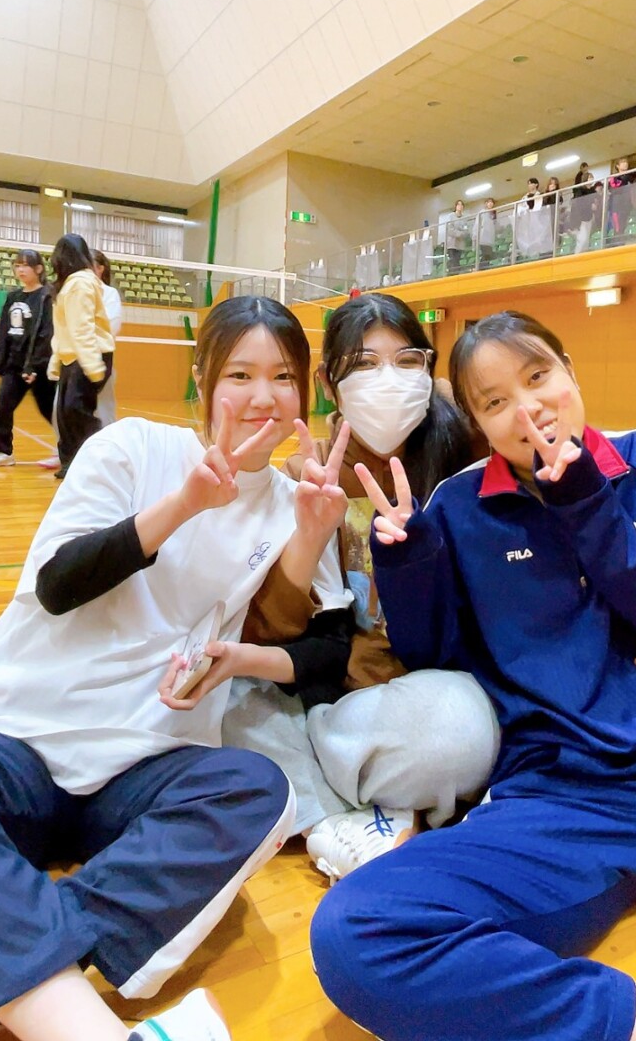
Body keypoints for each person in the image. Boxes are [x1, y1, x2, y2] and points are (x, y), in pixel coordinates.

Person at [311, 308, 636, 1041]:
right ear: (477, 423)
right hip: (560, 809)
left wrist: (586, 501)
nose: (528, 409)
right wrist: (405, 561)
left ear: (570, 371)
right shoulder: (459, 504)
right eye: (496, 402)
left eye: (538, 377)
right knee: (359, 929)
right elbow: (435, 658)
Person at [0, 295, 353, 1041]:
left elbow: (318, 650)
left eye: (284, 377)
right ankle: (73, 1013)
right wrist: (184, 504)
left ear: (306, 392)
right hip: (19, 740)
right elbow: (59, 584)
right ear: (203, 379)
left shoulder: (302, 499)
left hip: (143, 768)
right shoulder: (131, 448)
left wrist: (312, 539)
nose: (263, 396)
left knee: (258, 791)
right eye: (241, 374)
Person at [221, 293, 500, 883]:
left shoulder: (469, 456)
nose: (388, 380)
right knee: (226, 695)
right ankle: (350, 815)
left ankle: (322, 801)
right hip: (333, 704)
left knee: (463, 727)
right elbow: (275, 634)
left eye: (407, 361)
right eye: (365, 364)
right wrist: (308, 533)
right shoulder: (303, 474)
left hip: (428, 698)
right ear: (329, 381)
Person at [0, 249, 55, 468]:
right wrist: (0, 360)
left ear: (38, 269)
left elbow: (46, 332)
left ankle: (69, 447)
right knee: (4, 406)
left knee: (49, 409)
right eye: (17, 265)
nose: (20, 269)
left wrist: (35, 365)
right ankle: (3, 451)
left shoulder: (47, 296)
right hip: (14, 364)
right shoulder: (13, 297)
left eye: (25, 265)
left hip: (38, 365)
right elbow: (4, 330)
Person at [48, 234, 115, 478]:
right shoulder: (68, 285)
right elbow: (63, 329)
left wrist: (92, 365)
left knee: (77, 412)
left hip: (90, 354)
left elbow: (82, 328)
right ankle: (71, 464)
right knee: (65, 414)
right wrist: (56, 360)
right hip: (73, 357)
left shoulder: (81, 283)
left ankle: (99, 459)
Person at [92, 249, 123, 426]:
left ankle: (108, 441)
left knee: (104, 412)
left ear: (100, 268)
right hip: (73, 362)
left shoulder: (109, 294)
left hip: (100, 360)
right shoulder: (73, 292)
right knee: (63, 408)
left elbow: (110, 329)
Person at [568, 170, 598, 253]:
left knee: (587, 238)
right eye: (589, 177)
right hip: (581, 218)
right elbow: (579, 203)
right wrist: (590, 205)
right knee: (582, 238)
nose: (591, 179)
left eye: (592, 177)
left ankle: (584, 254)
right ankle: (577, 254)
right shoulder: (580, 190)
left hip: (589, 216)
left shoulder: (593, 191)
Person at [607, 157, 633, 240]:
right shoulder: (614, 177)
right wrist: (623, 181)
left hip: (626, 205)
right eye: (623, 162)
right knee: (617, 228)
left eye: (626, 162)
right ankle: (617, 243)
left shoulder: (629, 177)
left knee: (624, 225)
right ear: (617, 166)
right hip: (616, 207)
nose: (625, 164)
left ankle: (621, 242)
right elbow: (613, 188)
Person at [444, 199, 472, 274]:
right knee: (453, 260)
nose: (460, 206)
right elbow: (450, 229)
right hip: (452, 244)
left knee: (457, 260)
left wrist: (462, 233)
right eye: (458, 204)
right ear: (456, 206)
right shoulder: (450, 216)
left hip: (460, 244)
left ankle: (456, 274)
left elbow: (466, 229)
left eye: (462, 205)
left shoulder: (465, 218)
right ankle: (452, 274)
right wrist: (459, 234)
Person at [474, 197, 497, 268]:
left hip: (490, 239)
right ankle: (481, 268)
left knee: (489, 255)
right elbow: (477, 225)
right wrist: (475, 236)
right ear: (486, 203)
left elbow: (495, 226)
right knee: (486, 254)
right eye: (489, 202)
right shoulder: (482, 212)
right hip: (483, 238)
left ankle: (484, 267)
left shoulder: (493, 214)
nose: (490, 203)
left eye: (492, 202)